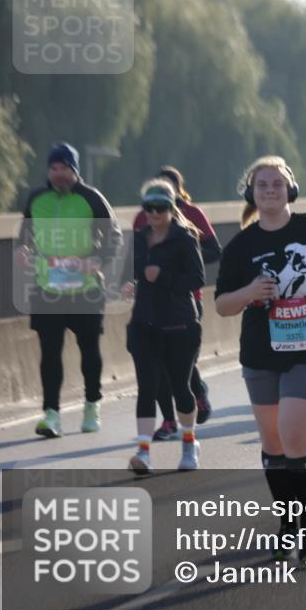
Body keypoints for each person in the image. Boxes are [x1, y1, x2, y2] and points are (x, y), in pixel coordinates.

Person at [215, 155, 306, 562]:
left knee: (294, 432)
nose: (270, 190)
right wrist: (249, 294)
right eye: (262, 185)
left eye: (277, 184)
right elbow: (223, 305)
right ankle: (287, 523)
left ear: (290, 188)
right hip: (262, 351)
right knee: (273, 442)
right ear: (251, 193)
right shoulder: (242, 245)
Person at [13, 142, 124, 439]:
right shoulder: (37, 198)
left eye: (63, 168)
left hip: (85, 289)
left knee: (89, 350)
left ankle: (91, 405)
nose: (58, 174)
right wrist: (22, 251)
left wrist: (98, 260)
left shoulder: (91, 198)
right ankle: (51, 414)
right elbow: (25, 235)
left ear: (74, 170)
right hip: (47, 288)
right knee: (50, 353)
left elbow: (114, 235)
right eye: (53, 169)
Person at [132, 166, 222, 439]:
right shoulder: (140, 223)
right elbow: (138, 265)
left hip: (185, 304)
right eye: (150, 204)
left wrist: (173, 266)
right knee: (157, 369)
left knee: (179, 367)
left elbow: (213, 252)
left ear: (176, 194)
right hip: (150, 308)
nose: (155, 211)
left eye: (162, 201)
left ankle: (196, 394)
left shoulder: (192, 218)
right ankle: (168, 421)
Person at [126, 180, 205, 474]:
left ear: (171, 208)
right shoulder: (138, 238)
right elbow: (134, 272)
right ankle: (143, 453)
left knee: (180, 388)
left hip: (180, 326)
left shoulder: (184, 239)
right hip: (144, 325)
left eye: (160, 207)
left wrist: (164, 275)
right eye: (148, 207)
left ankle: (189, 443)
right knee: (147, 387)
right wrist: (129, 283)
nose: (154, 213)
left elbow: (196, 279)